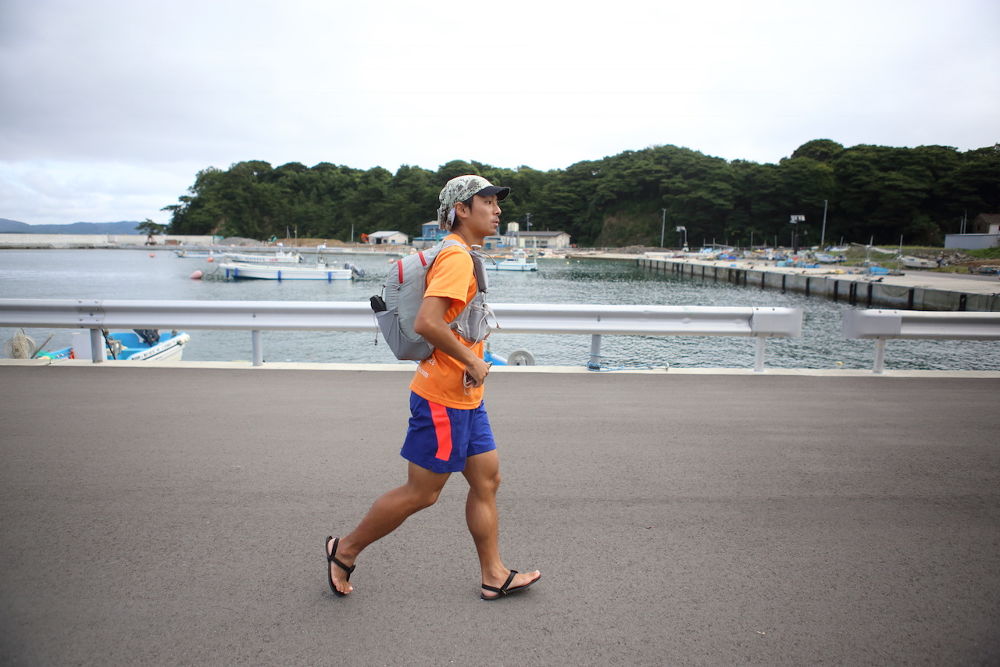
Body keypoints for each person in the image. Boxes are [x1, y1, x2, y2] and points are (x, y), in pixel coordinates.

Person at [325, 175, 541, 601]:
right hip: (443, 398)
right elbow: (427, 322)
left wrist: (471, 363)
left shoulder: (463, 254)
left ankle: (494, 574)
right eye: (488, 202)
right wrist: (473, 360)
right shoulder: (456, 258)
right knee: (422, 494)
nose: (498, 210)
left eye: (498, 203)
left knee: (487, 481)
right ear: (462, 209)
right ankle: (344, 549)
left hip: (465, 397)